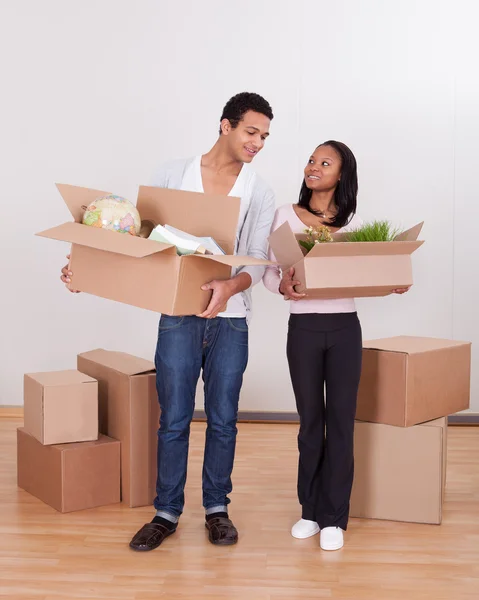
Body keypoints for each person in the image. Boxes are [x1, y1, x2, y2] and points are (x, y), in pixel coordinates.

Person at [61, 92, 276, 550]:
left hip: (231, 320)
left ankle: (217, 509)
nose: (258, 142)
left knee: (223, 419)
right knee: (174, 418)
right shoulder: (172, 174)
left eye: (264, 136)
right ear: (226, 125)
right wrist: (85, 269)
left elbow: (256, 259)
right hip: (178, 315)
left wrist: (229, 288)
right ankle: (167, 512)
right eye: (251, 132)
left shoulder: (259, 189)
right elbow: (142, 240)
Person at [263, 140, 408, 551]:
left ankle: (334, 518)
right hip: (303, 331)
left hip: (345, 330)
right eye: (311, 160)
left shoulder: (354, 223)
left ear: (341, 175)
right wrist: (283, 286)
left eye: (325, 163)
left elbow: (363, 277)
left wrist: (389, 282)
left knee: (341, 422)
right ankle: (309, 511)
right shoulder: (283, 217)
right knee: (311, 424)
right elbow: (270, 275)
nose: (314, 167)